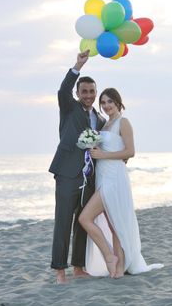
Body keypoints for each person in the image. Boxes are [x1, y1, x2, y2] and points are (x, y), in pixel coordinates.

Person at [78, 88, 163, 278]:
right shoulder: (105, 125)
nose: (107, 106)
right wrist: (94, 147)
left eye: (110, 102)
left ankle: (112, 259)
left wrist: (103, 154)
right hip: (102, 176)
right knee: (112, 223)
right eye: (104, 103)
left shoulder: (123, 123)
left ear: (118, 102)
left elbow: (130, 152)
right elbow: (111, 149)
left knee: (85, 218)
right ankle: (118, 268)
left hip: (114, 178)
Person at [48, 50, 106, 284]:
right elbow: (63, 90)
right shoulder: (69, 108)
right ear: (78, 93)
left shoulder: (100, 119)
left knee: (83, 222)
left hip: (89, 178)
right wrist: (77, 66)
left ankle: (78, 267)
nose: (89, 95)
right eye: (84, 91)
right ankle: (60, 271)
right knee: (63, 222)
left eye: (92, 91)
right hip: (67, 174)